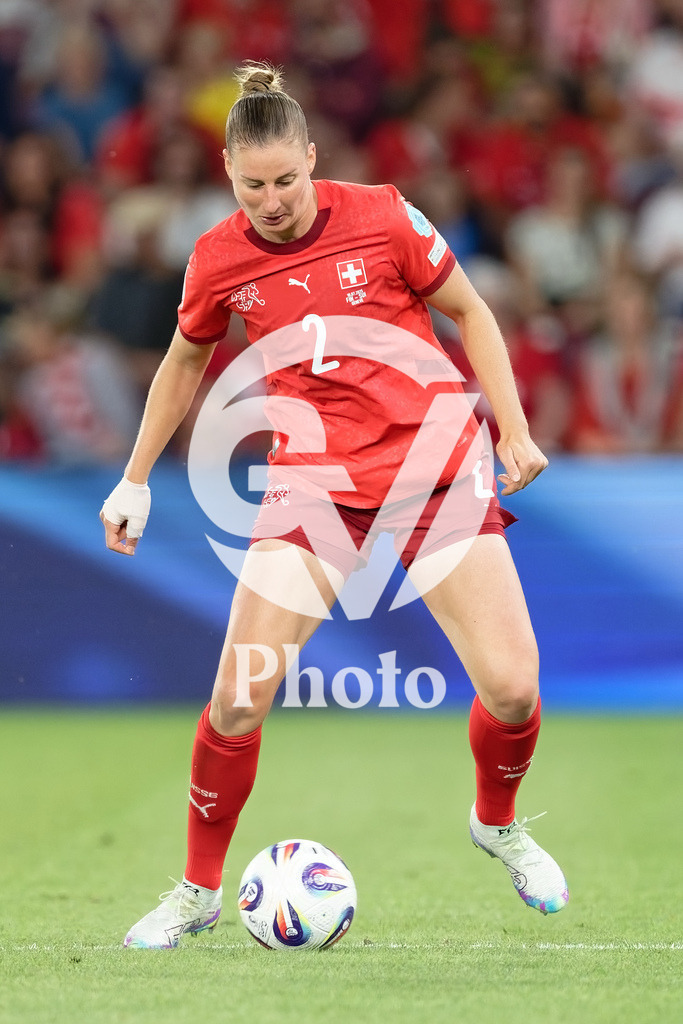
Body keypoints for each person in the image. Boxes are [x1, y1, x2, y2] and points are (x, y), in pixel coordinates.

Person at [100, 62, 569, 950]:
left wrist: (510, 429)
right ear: (228, 178)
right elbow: (183, 364)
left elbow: (471, 312)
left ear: (313, 159)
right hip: (314, 488)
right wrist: (133, 478)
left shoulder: (385, 215)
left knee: (511, 689)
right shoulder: (218, 259)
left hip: (431, 467)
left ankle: (497, 824)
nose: (272, 201)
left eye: (286, 180)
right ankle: (199, 889)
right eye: (252, 185)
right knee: (238, 699)